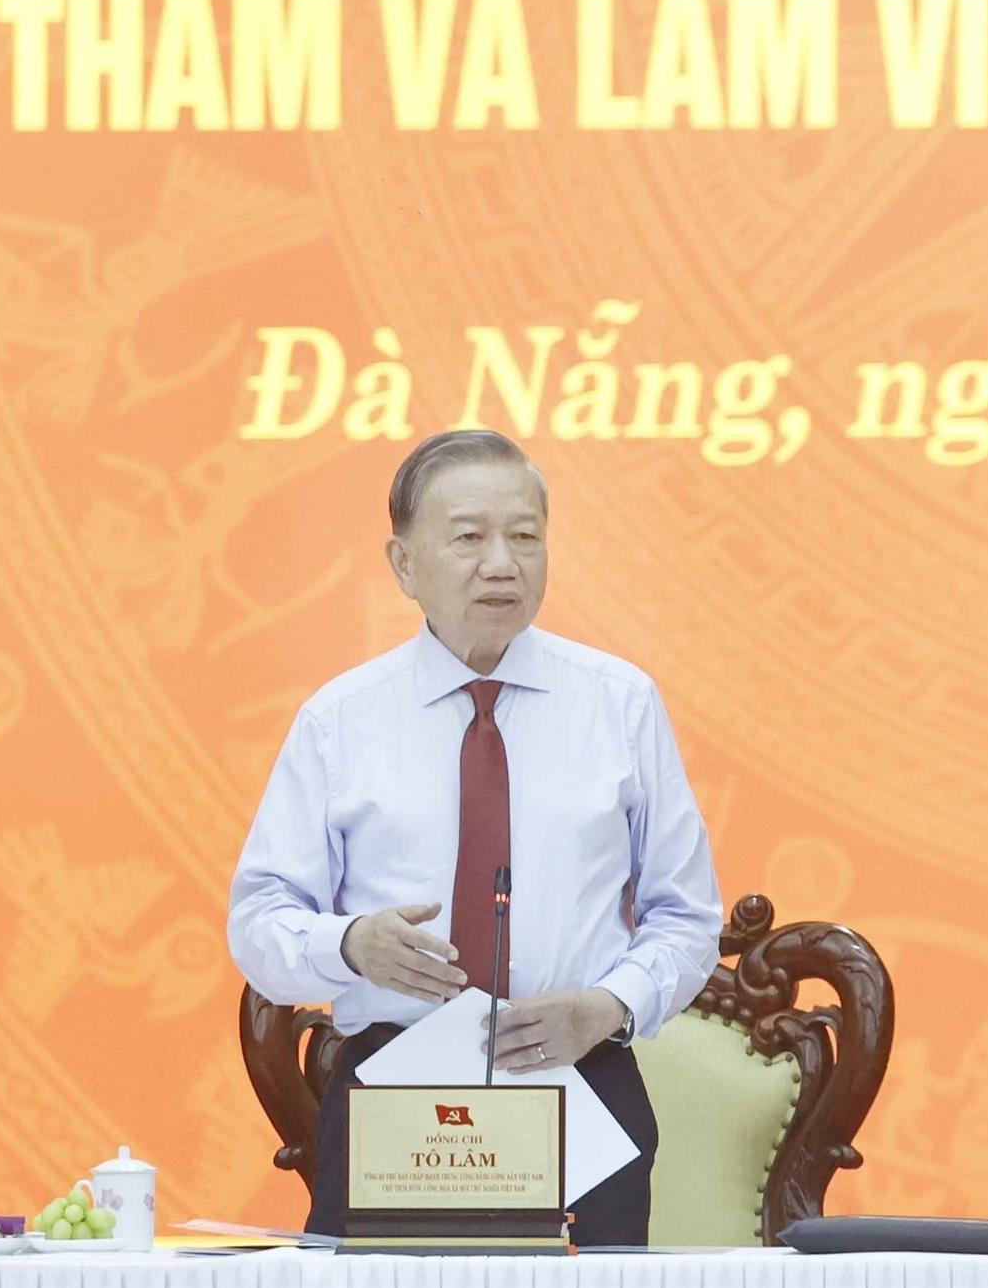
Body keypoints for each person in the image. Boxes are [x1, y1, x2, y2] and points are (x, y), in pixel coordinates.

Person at [227, 429, 723, 1246]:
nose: (502, 564)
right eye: (469, 538)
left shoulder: (620, 703)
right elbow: (258, 924)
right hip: (397, 1087)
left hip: (578, 1079)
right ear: (404, 564)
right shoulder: (340, 720)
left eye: (525, 536)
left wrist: (609, 1006)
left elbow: (688, 917)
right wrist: (350, 945)